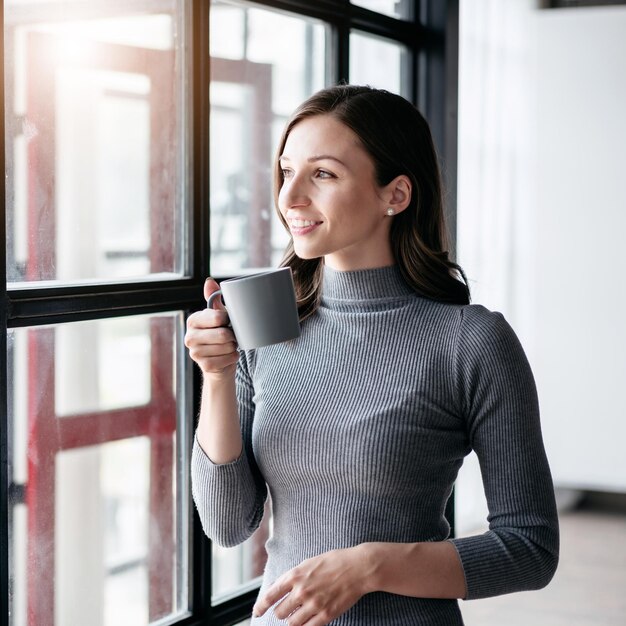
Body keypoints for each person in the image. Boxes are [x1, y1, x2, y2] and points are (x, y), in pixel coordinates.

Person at [185, 84, 559, 626]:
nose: (290, 198)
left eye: (324, 174)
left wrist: (371, 567)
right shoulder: (266, 330)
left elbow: (530, 549)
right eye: (287, 171)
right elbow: (226, 524)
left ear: (396, 194)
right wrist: (217, 376)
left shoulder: (472, 343)